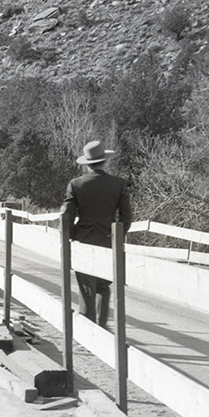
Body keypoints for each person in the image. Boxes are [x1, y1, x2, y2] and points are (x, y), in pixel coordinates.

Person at [61, 140, 132, 328]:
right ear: (104, 161)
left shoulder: (76, 184)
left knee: (86, 287)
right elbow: (127, 217)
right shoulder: (118, 184)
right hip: (109, 240)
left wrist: (71, 235)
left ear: (87, 164)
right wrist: (117, 236)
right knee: (103, 286)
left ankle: (87, 327)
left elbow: (67, 216)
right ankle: (101, 326)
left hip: (83, 239)